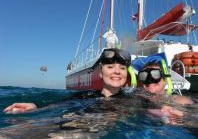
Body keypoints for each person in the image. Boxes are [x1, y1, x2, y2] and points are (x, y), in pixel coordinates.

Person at [3, 48, 132, 114]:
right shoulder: (85, 96)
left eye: (122, 68)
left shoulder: (134, 100)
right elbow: (60, 104)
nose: (117, 71)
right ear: (100, 72)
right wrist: (35, 107)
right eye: (110, 67)